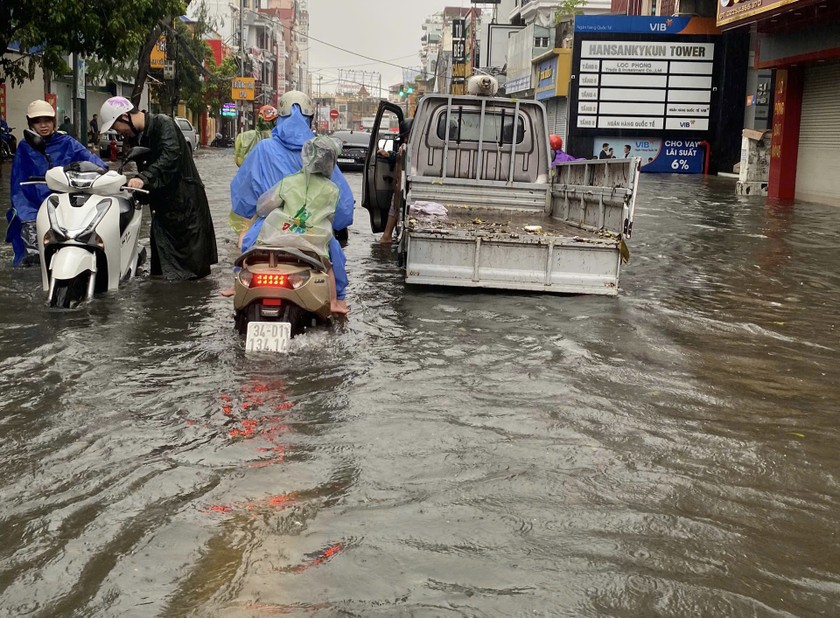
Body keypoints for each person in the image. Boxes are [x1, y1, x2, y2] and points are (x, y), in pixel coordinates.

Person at [229, 90, 353, 313]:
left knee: (248, 246)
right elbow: (343, 213)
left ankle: (235, 285)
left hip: (272, 230)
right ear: (310, 120)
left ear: (279, 118)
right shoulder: (321, 155)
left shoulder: (264, 150)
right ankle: (338, 301)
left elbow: (245, 201)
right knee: (334, 255)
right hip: (314, 235)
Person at [98, 96, 218, 280]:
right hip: (163, 213)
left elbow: (170, 156)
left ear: (124, 117)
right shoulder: (139, 138)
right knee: (162, 274)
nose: (119, 133)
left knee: (189, 275)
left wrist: (143, 178)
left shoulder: (164, 124)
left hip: (185, 210)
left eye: (116, 127)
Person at [244, 135, 345, 313]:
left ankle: (235, 283)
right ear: (330, 162)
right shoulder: (333, 190)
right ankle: (336, 301)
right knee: (330, 265)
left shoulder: (288, 182)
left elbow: (262, 207)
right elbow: (331, 219)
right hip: (312, 244)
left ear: (305, 156)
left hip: (279, 236)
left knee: (252, 250)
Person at [5, 99, 106, 266]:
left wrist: (103, 174)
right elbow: (18, 185)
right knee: (33, 258)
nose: (43, 125)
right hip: (31, 206)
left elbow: (95, 163)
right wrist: (26, 212)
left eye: (47, 121)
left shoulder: (67, 143)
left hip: (65, 203)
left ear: (54, 122)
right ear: (30, 124)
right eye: (37, 122)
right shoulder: (25, 147)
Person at [377, 118, 412, 245]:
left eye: (407, 136)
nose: (406, 139)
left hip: (405, 187)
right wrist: (388, 155)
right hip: (399, 186)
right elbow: (398, 156)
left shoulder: (411, 148)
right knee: (394, 209)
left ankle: (387, 237)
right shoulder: (404, 148)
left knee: (396, 210)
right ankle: (387, 236)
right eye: (404, 137)